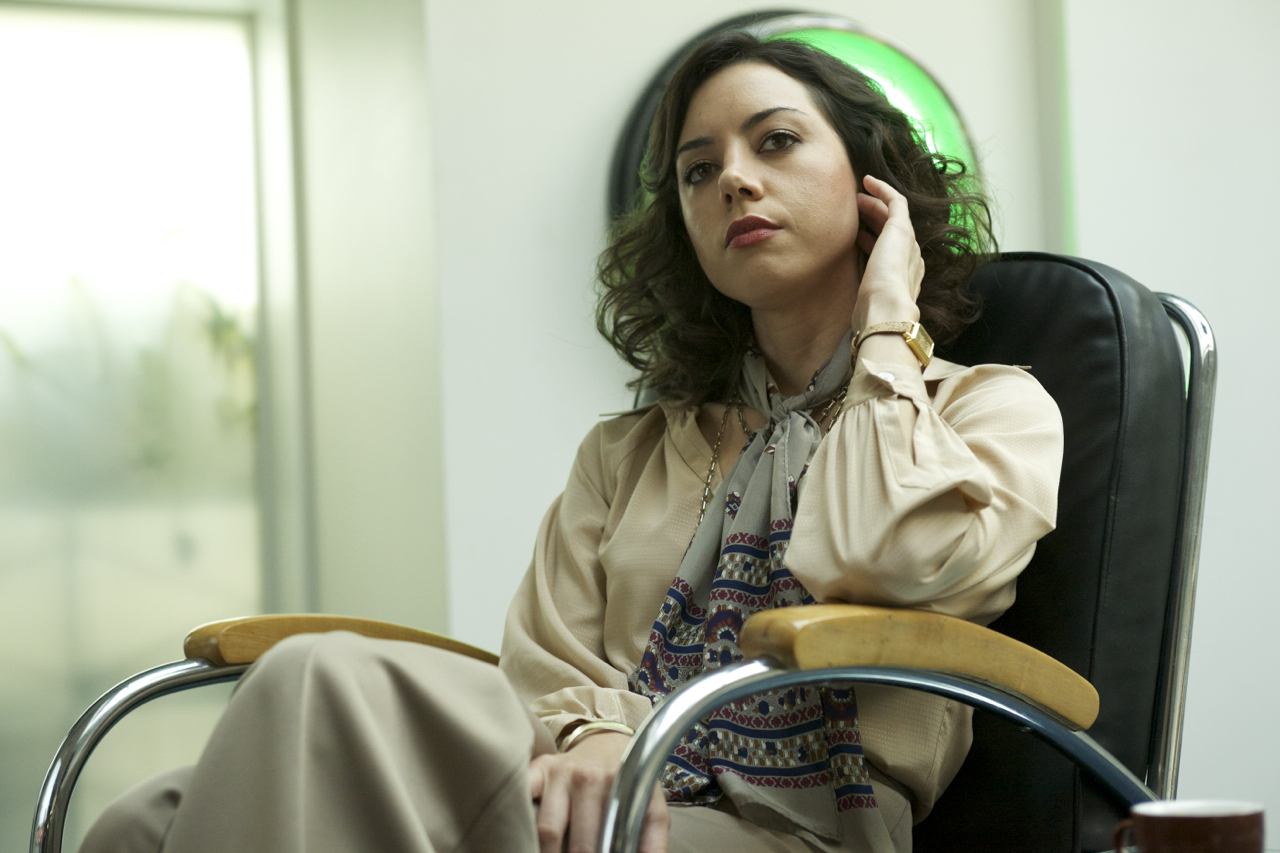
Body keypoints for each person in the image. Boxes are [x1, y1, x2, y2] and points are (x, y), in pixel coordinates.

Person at [81, 30, 1062, 853]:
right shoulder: (628, 454)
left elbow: (877, 553)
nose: (733, 179)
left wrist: (886, 321)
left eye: (774, 142)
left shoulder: (989, 413)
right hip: (579, 790)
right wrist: (595, 734)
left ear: (871, 184)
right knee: (143, 822)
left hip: (780, 829)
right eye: (698, 170)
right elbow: (546, 664)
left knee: (314, 675)